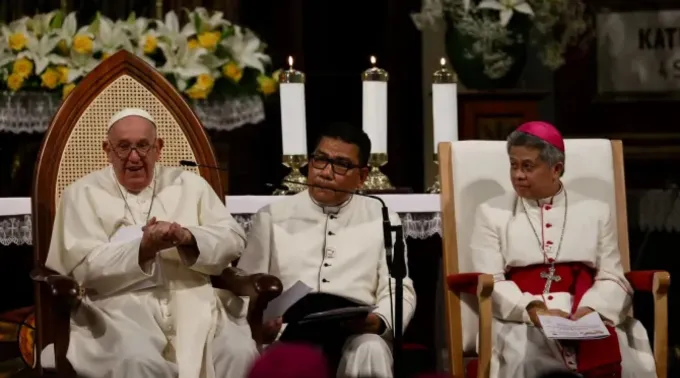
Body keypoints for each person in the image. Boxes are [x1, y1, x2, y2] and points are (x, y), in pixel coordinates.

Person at [44, 108, 258, 378]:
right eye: (123, 147)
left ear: (158, 148)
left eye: (143, 146)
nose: (134, 157)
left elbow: (234, 239)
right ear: (107, 150)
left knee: (238, 352)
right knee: (137, 361)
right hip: (117, 309)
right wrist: (143, 249)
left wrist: (188, 238)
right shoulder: (80, 194)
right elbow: (83, 268)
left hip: (195, 301)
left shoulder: (191, 185)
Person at [470, 121, 656, 378]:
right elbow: (491, 280)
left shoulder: (596, 211)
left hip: (588, 316)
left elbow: (612, 275)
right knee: (526, 361)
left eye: (528, 166)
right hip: (523, 321)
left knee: (632, 365)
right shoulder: (491, 213)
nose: (518, 175)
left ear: (556, 169)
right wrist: (533, 310)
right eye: (513, 165)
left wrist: (591, 310)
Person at [237, 122, 417, 378]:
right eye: (320, 160)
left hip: (355, 331)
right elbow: (248, 285)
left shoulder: (382, 216)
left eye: (341, 164)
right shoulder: (272, 216)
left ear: (363, 176)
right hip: (287, 331)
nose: (325, 172)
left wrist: (378, 321)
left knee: (371, 349)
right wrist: (258, 322)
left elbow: (399, 288)